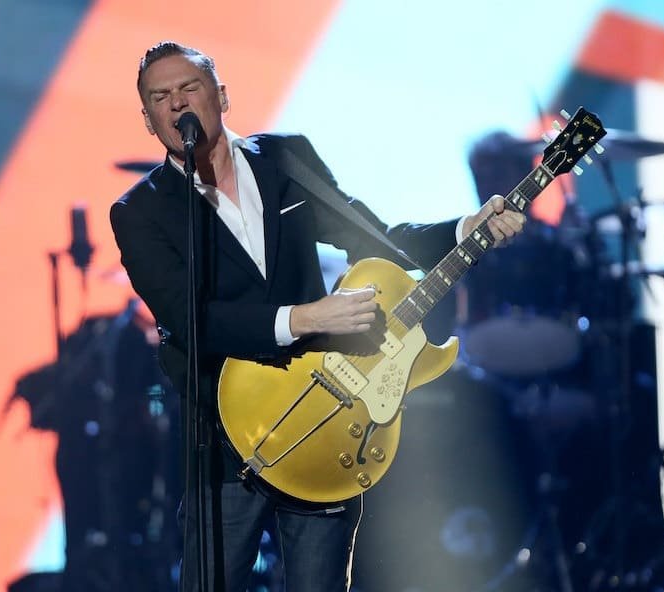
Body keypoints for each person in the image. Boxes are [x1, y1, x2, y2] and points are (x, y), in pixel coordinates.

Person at [109, 40, 525, 592]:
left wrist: (460, 230)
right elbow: (191, 320)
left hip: (326, 414)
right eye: (160, 97)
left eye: (189, 88)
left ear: (222, 96)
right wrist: (304, 317)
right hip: (226, 434)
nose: (177, 105)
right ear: (148, 119)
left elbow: (371, 238)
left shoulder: (283, 158)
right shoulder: (141, 212)